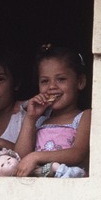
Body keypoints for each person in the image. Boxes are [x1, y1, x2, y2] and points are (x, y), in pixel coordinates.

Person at [14, 43, 91, 178]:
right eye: (44, 81)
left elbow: (78, 153)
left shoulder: (84, 116)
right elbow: (20, 158)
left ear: (80, 82)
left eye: (61, 79)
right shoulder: (40, 121)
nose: (51, 87)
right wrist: (31, 118)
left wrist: (37, 157)